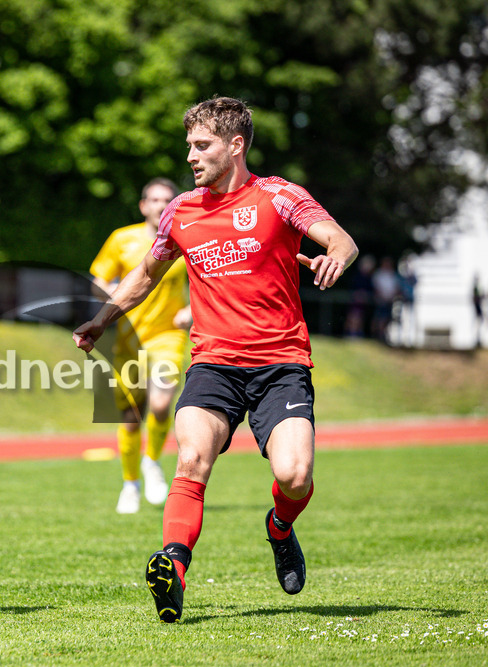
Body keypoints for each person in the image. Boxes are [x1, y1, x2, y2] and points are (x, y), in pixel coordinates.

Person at [74, 97, 357, 623]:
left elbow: (339, 239)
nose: (191, 156)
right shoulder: (181, 210)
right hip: (213, 365)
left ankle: (279, 527)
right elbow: (145, 274)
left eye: (201, 145)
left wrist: (335, 256)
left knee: (295, 476)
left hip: (281, 365)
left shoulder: (279, 196)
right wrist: (102, 318)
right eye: (188, 146)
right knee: (190, 459)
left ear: (235, 145)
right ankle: (173, 568)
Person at [89, 178, 192, 513]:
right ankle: (130, 484)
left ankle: (152, 461)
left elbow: (211, 280)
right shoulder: (122, 239)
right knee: (130, 417)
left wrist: (192, 311)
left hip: (168, 335)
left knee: (161, 404)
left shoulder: (188, 236)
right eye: (155, 199)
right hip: (129, 340)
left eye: (168, 199)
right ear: (143, 205)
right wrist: (113, 300)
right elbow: (98, 282)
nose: (162, 205)